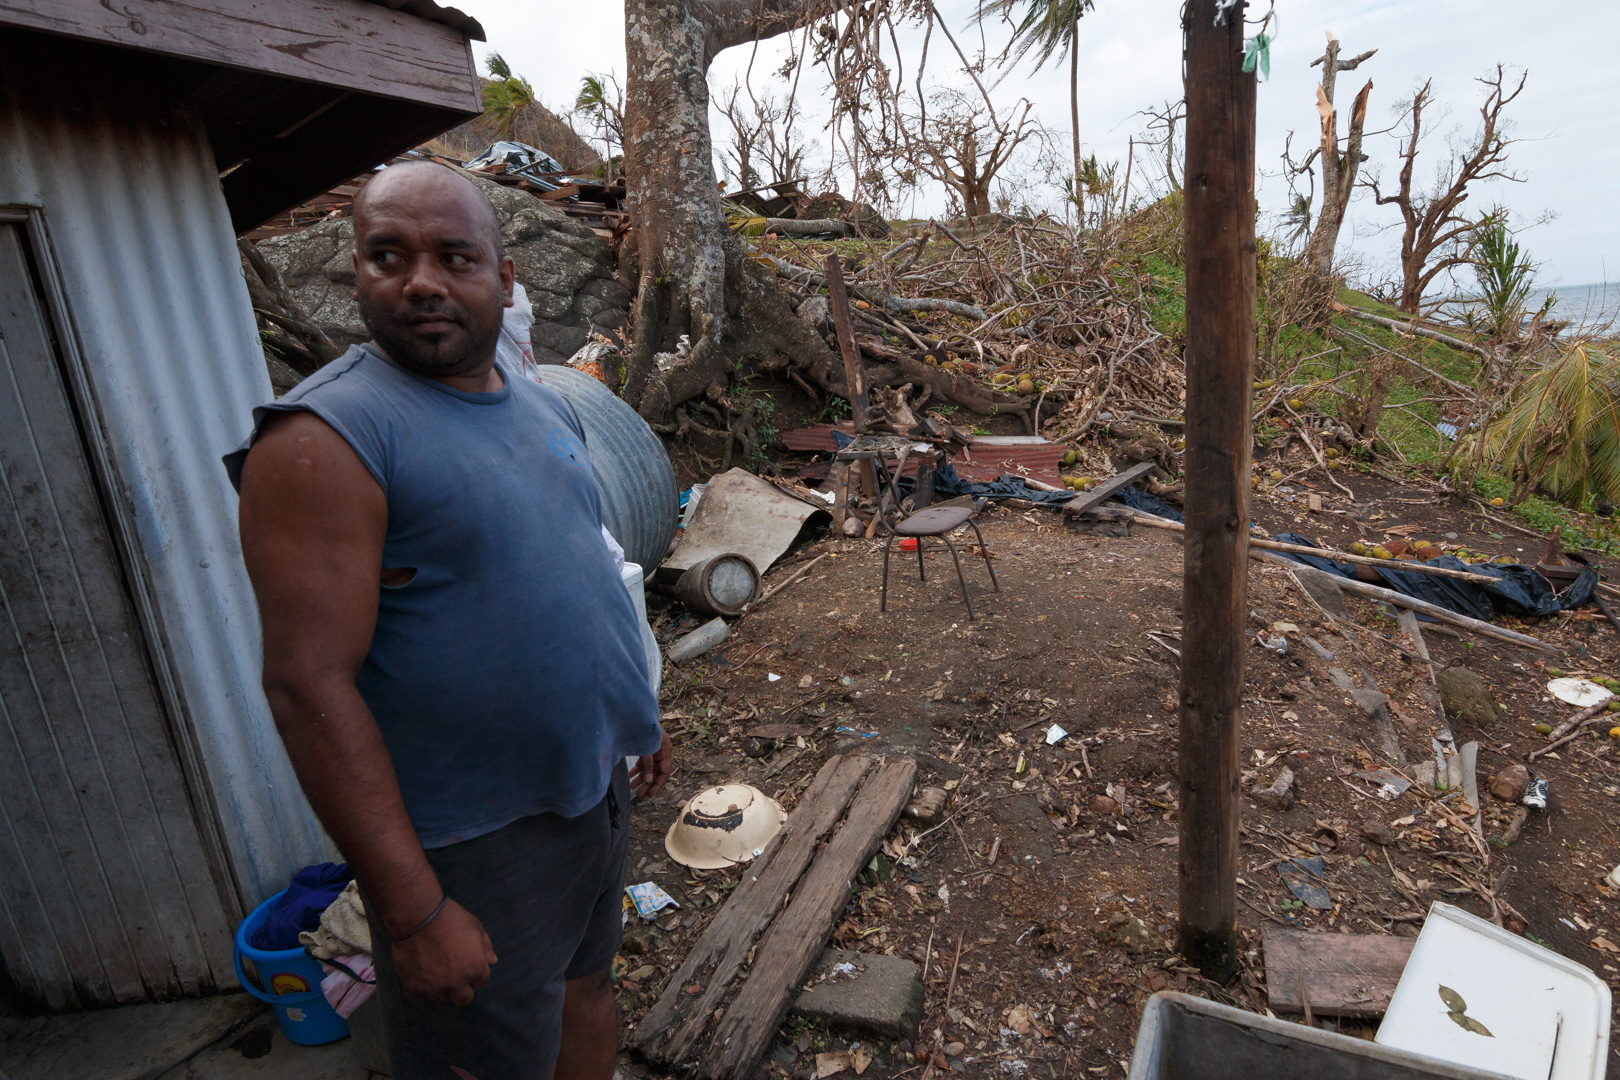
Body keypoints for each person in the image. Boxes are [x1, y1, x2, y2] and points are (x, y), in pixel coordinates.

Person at [228, 160, 671, 1080]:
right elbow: (306, 684)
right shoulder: (326, 439)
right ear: (358, 270)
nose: (421, 280)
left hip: (592, 793)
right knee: (486, 1057)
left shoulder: (544, 409)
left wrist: (635, 716)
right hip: (473, 841)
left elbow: (584, 570)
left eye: (453, 256)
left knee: (585, 993)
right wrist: (415, 910)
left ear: (504, 280)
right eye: (388, 255)